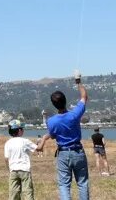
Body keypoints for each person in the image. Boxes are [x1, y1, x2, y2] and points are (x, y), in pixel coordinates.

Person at [37, 70, 89, 200]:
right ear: (65, 101)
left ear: (54, 105)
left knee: (64, 185)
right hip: (78, 151)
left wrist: (44, 138)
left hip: (63, 153)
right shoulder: (74, 114)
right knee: (82, 183)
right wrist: (78, 81)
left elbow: (53, 136)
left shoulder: (51, 121)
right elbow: (84, 96)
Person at [4, 119, 38, 200]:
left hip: (13, 170)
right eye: (22, 128)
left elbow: (6, 158)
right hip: (24, 170)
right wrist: (44, 139)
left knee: (13, 193)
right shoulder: (25, 141)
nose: (23, 130)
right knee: (27, 192)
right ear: (19, 130)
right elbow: (38, 148)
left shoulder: (8, 143)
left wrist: (9, 169)